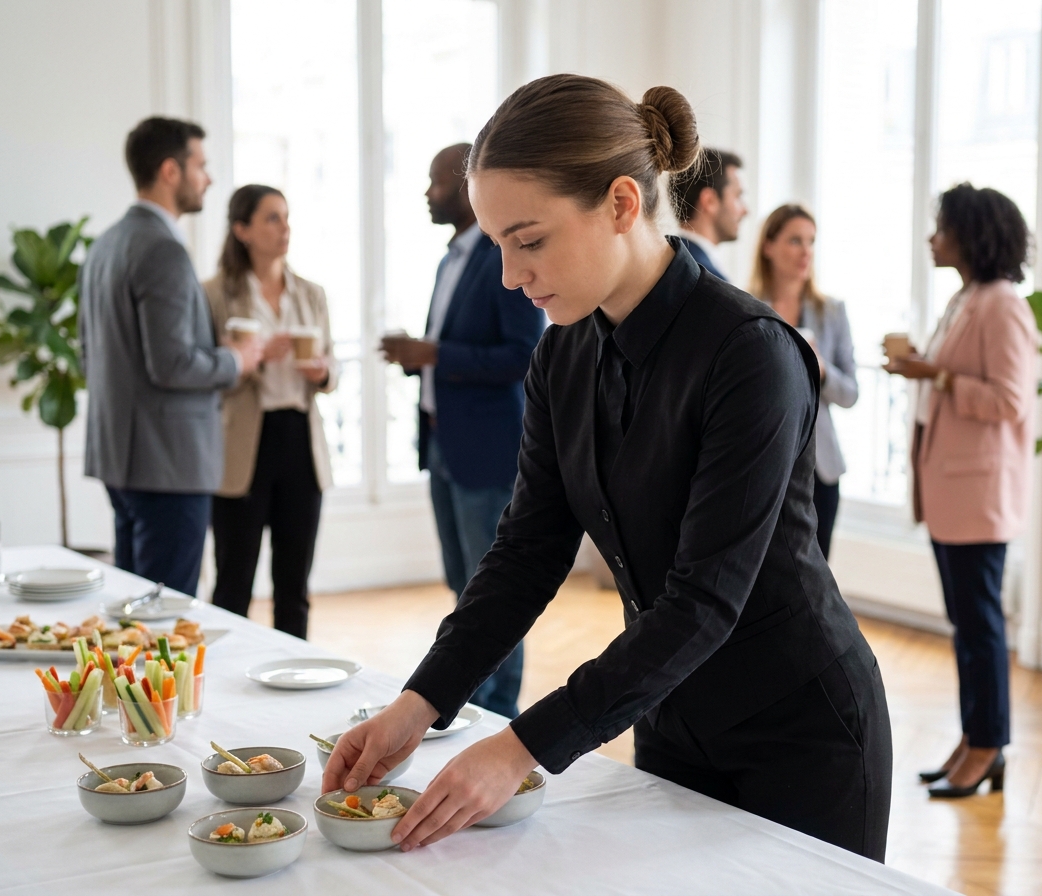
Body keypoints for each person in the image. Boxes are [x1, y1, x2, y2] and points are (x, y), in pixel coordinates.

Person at [328, 74, 892, 862]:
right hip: (665, 717)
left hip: (799, 733)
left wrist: (520, 746)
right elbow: (527, 551)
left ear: (623, 204)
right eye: (497, 245)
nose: (509, 274)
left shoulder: (751, 354)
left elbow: (703, 602)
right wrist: (418, 704)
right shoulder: (563, 352)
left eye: (529, 240)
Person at [381, 143, 545, 718]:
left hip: (487, 448)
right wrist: (421, 358)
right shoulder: (450, 258)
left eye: (435, 183)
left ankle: (497, 710)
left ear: (467, 186)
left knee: (494, 590)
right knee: (462, 583)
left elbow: (525, 355)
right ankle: (470, 699)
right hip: (443, 445)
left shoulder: (507, 257)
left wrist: (433, 352)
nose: (428, 194)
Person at [885, 183, 1036, 799]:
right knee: (967, 625)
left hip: (979, 498)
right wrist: (927, 366)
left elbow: (1008, 400)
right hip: (952, 494)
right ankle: (976, 740)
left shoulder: (1003, 306)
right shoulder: (967, 298)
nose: (932, 238)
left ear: (970, 235)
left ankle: (988, 745)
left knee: (979, 627)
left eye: (942, 228)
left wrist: (935, 374)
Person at [80, 117, 263, 597]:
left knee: (131, 607)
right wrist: (237, 360)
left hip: (119, 457)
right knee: (163, 613)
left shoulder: (106, 244)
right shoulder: (162, 248)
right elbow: (173, 364)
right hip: (167, 463)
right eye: (200, 165)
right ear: (170, 171)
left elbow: (90, 354)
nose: (209, 178)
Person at [204, 185, 338, 640]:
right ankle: (222, 681)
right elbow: (210, 373)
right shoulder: (215, 294)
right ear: (242, 230)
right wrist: (256, 355)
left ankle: (294, 676)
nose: (285, 228)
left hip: (300, 438)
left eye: (286, 217)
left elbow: (332, 366)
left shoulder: (311, 294)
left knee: (294, 583)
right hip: (243, 445)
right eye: (272, 218)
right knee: (234, 581)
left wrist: (321, 372)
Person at [750, 204, 858, 560]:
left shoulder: (832, 313)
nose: (805, 251)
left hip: (819, 468)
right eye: (795, 240)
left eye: (811, 241)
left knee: (816, 571)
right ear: (768, 246)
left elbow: (850, 394)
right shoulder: (745, 307)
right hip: (759, 462)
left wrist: (821, 368)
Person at [669, 147, 748, 281]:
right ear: (709, 201)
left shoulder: (667, 260)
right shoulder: (706, 279)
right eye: (737, 196)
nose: (745, 210)